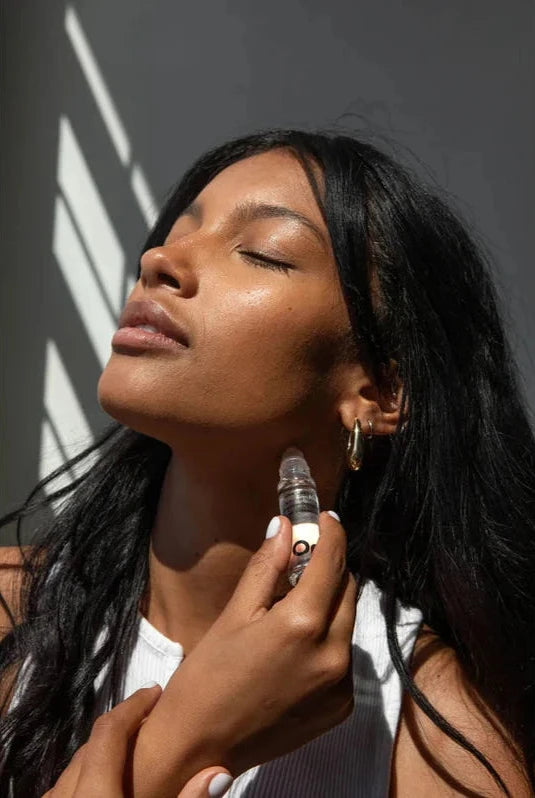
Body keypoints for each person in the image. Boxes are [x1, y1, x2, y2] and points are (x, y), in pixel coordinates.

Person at [0, 129, 533, 797]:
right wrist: (189, 738)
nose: (159, 260)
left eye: (262, 253)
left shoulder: (439, 741)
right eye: (175, 233)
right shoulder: (14, 612)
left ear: (377, 393)